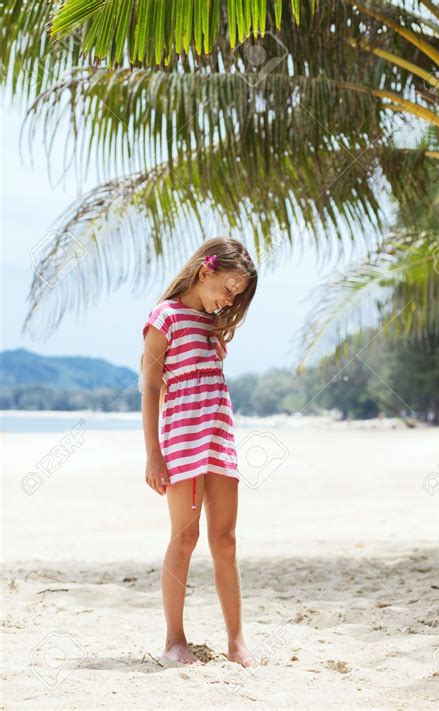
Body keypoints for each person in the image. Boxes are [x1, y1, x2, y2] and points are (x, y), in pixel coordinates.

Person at [140, 237, 258, 667]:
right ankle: (174, 640)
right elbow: (152, 387)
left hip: (219, 439)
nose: (229, 300)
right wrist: (153, 454)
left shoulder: (212, 326)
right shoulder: (165, 317)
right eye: (228, 289)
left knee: (225, 540)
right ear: (205, 272)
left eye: (237, 296)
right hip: (181, 443)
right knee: (184, 537)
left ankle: (237, 641)